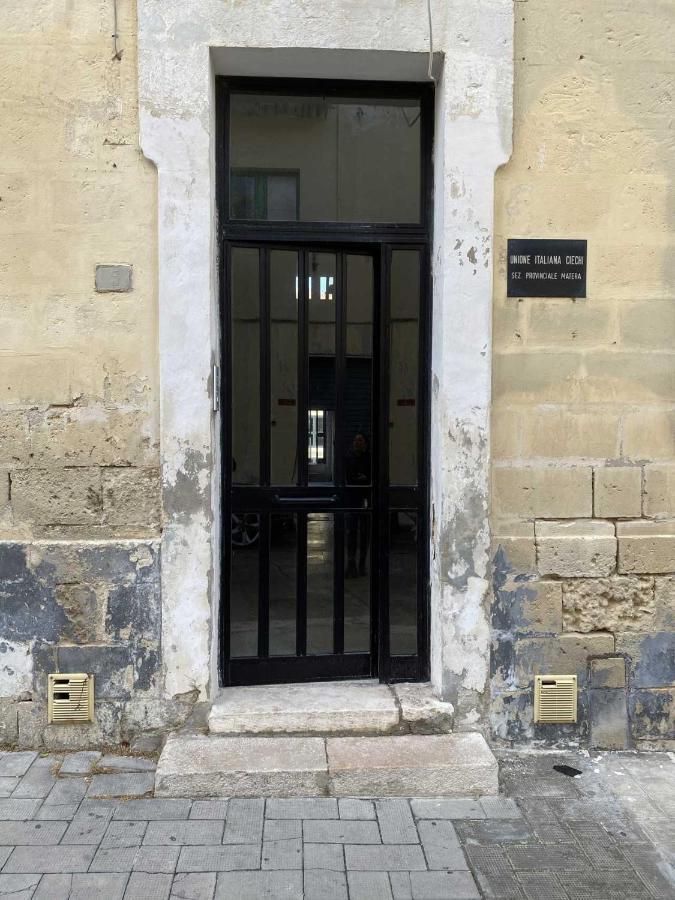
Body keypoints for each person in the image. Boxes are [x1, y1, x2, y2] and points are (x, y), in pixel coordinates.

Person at [345, 433, 371, 577]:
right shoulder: (349, 457)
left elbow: (369, 476)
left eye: (360, 440)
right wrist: (361, 478)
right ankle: (351, 562)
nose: (357, 442)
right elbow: (350, 476)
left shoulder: (369, 458)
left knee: (364, 532)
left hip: (365, 497)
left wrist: (361, 478)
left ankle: (361, 562)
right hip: (353, 497)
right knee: (352, 531)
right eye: (355, 440)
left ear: (365, 443)